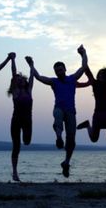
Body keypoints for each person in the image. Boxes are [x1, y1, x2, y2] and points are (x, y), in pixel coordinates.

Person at [31, 45, 88, 178]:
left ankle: (66, 163)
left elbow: (84, 67)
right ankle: (58, 137)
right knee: (57, 116)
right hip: (59, 108)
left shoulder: (72, 79)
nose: (58, 72)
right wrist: (31, 65)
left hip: (71, 111)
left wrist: (83, 53)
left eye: (60, 70)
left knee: (72, 140)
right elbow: (38, 77)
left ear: (65, 69)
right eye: (56, 71)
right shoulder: (54, 82)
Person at [76, 48, 106, 145]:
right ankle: (88, 125)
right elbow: (86, 69)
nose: (101, 76)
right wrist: (82, 54)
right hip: (98, 113)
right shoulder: (95, 83)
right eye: (100, 75)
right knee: (94, 139)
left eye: (103, 75)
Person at [8, 54, 35, 181]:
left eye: (22, 78)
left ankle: (15, 172)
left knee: (27, 141)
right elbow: (13, 73)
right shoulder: (15, 91)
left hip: (27, 120)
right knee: (16, 146)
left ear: (25, 81)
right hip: (16, 120)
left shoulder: (29, 90)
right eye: (17, 79)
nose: (20, 80)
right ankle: (14, 172)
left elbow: (32, 76)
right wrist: (13, 60)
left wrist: (31, 65)